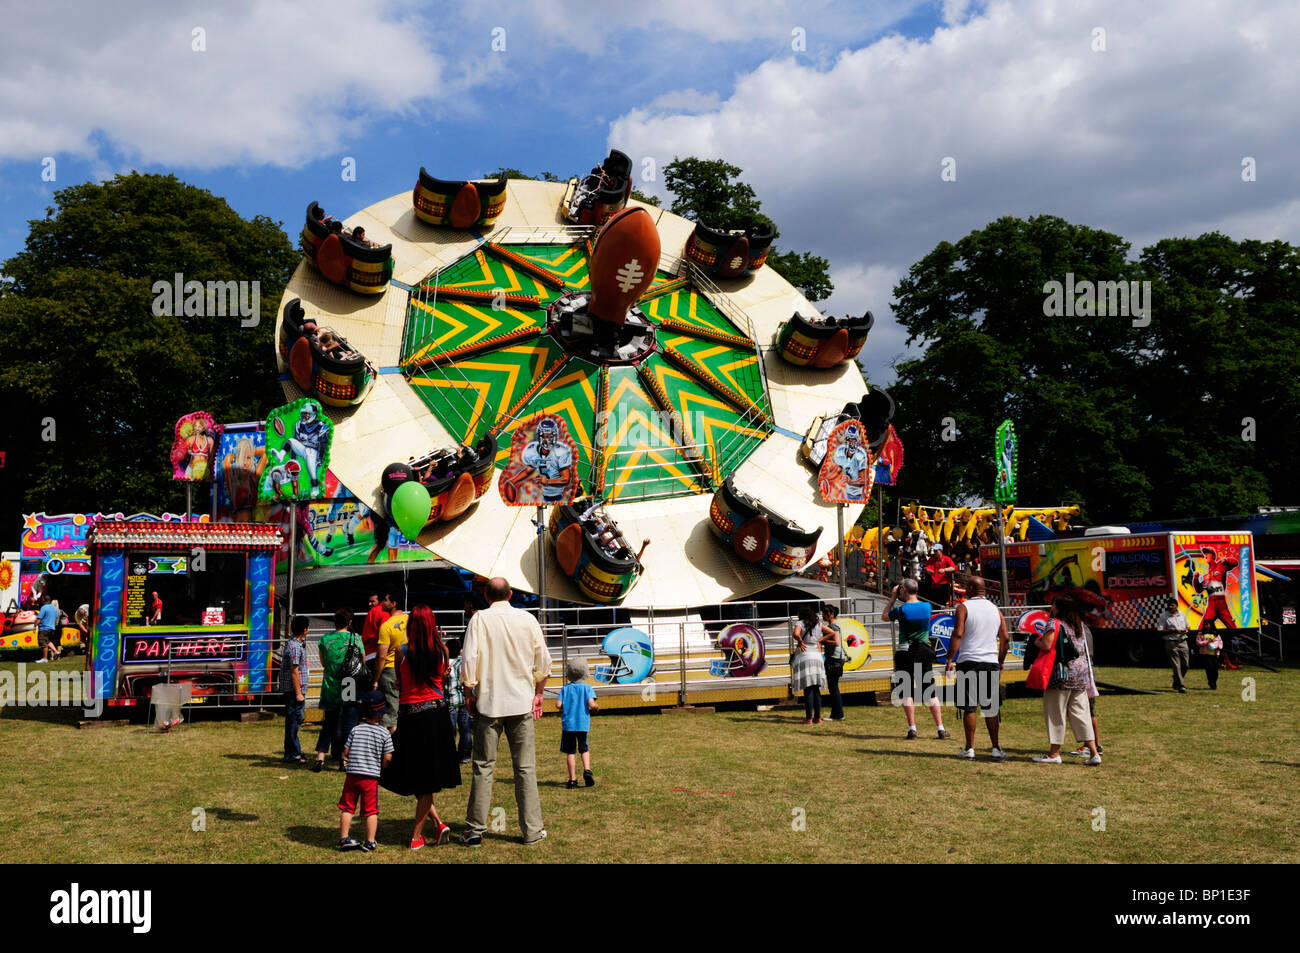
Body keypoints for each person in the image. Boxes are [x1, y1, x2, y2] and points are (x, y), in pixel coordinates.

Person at [459, 577, 553, 847]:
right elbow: (542, 660)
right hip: (520, 703)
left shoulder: (479, 620)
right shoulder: (527, 620)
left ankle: (476, 829)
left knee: (483, 766)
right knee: (525, 769)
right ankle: (532, 830)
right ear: (510, 594)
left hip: (489, 703)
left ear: (487, 597)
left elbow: (469, 659)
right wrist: (538, 693)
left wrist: (469, 692)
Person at [380, 605, 460, 849]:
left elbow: (400, 683)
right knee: (423, 777)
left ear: (412, 625)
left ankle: (416, 837)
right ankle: (437, 823)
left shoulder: (402, 652)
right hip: (436, 716)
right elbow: (440, 680)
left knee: (419, 777)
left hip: (410, 717)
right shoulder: (442, 651)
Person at [945, 577, 1009, 761]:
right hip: (990, 661)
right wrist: (1001, 661)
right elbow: (1005, 638)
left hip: (969, 661)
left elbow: (958, 633)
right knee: (991, 707)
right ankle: (996, 747)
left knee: (970, 706)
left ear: (971, 588)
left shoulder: (964, 608)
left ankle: (970, 748)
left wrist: (950, 658)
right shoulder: (995, 609)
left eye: (967, 587)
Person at [1032, 596, 1101, 765]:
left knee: (1055, 713)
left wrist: (1035, 640)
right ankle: (1093, 752)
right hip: (1081, 674)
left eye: (1053, 605)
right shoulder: (1079, 625)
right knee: (1081, 714)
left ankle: (1054, 754)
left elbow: (1047, 645)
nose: (1051, 608)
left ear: (1059, 608)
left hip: (1060, 674)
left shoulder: (1055, 623)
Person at [882, 579, 948, 739]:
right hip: (923, 652)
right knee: (930, 690)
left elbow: (884, 617)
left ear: (903, 590)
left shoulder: (900, 609)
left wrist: (892, 598)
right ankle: (940, 728)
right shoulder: (927, 607)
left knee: (906, 690)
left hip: (905, 651)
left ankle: (912, 727)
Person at [338, 691, 393, 852]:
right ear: (382, 713)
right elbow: (388, 757)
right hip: (370, 777)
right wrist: (381, 767)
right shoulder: (384, 733)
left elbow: (346, 751)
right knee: (371, 810)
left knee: (347, 807)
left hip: (352, 776)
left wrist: (347, 760)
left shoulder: (356, 729)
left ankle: (344, 838)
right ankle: (369, 841)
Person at [313, 608, 364, 772]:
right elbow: (361, 661)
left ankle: (320, 758)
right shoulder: (355, 638)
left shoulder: (324, 640)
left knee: (328, 723)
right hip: (349, 684)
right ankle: (344, 759)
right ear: (349, 622)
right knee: (349, 723)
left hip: (330, 686)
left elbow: (323, 663)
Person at [556, 657, 598, 788]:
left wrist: (565, 706)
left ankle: (572, 780)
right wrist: (596, 707)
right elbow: (591, 704)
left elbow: (558, 705)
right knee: (584, 748)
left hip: (569, 726)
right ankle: (587, 770)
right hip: (582, 725)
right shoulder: (587, 688)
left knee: (571, 751)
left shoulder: (565, 689)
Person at [373, 606, 409, 732]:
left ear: (393, 603)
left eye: (385, 600)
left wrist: (376, 679)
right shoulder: (410, 620)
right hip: (408, 668)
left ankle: (388, 748)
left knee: (391, 715)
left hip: (390, 670)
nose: (382, 603)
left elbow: (382, 655)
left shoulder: (386, 625)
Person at [791, 605, 827, 725]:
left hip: (806, 655)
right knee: (816, 688)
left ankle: (809, 718)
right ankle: (818, 717)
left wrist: (800, 641)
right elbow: (832, 632)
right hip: (817, 656)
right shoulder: (818, 624)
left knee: (808, 689)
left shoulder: (800, 623)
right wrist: (819, 641)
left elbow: (795, 633)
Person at [282, 616, 310, 764]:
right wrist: (298, 693)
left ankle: (293, 752)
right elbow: (294, 670)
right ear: (304, 630)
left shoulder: (296, 644)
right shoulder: (295, 647)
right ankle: (293, 754)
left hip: (295, 690)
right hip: (294, 691)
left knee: (294, 721)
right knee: (294, 721)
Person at [445, 638, 473, 764]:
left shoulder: (445, 664)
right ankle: (465, 755)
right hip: (463, 698)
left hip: (450, 700)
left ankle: (450, 753)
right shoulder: (463, 663)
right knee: (465, 729)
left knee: (451, 731)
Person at [818, 604, 846, 721]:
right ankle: (836, 713)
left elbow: (836, 642)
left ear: (830, 614)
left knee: (833, 687)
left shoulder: (834, 626)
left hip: (834, 659)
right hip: (836, 658)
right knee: (833, 687)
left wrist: (822, 641)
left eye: (824, 614)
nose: (822, 616)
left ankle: (838, 714)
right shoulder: (834, 625)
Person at [1157, 598, 1190, 693]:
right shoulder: (1164, 616)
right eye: (1169, 605)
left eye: (1172, 605)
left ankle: (1176, 681)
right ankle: (1181, 686)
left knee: (1186, 665)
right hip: (1171, 642)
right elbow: (1160, 631)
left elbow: (1188, 626)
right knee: (1176, 665)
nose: (1170, 607)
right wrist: (1173, 631)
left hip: (1183, 641)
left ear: (1176, 606)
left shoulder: (1182, 614)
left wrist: (1186, 630)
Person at [361, 593, 391, 670]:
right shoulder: (383, 612)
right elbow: (385, 634)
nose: (369, 604)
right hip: (378, 655)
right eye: (369, 601)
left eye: (372, 601)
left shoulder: (372, 612)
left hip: (370, 655)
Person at [1196, 626, 1223, 690]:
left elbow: (1220, 642)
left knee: (1215, 670)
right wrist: (1207, 642)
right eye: (1206, 624)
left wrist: (1216, 646)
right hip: (1206, 654)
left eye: (1208, 624)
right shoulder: (1201, 634)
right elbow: (1198, 643)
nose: (1207, 626)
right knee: (1209, 669)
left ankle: (1214, 681)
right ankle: (1211, 683)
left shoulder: (1215, 634)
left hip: (1215, 654)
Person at [36, 597, 61, 663]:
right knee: (47, 641)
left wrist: (34, 626)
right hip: (52, 628)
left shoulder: (44, 608)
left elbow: (39, 618)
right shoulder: (54, 609)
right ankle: (56, 652)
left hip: (44, 628)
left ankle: (45, 658)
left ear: (44, 600)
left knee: (43, 643)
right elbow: (56, 619)